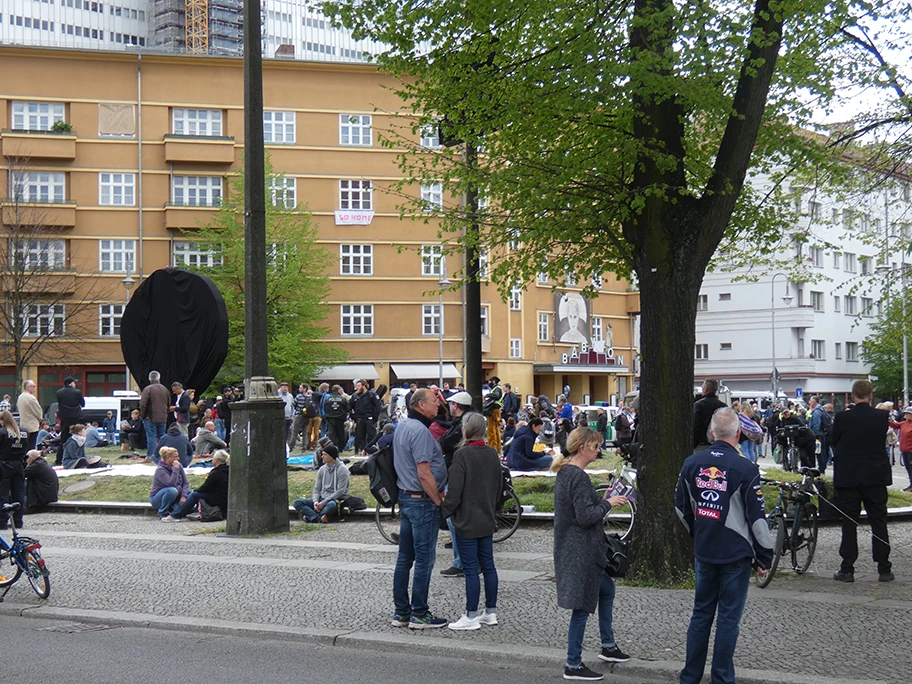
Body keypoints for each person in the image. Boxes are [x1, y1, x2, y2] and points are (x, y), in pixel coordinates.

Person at [675, 407, 773, 684]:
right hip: (736, 553)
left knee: (701, 614)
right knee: (729, 618)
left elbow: (681, 509)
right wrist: (764, 558)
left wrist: (699, 531)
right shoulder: (746, 467)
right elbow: (758, 519)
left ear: (711, 432)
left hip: (705, 549)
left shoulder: (691, 463)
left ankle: (690, 677)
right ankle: (722, 678)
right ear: (739, 433)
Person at [553, 426, 630, 680]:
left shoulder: (567, 472)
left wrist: (603, 500)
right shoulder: (578, 476)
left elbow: (581, 510)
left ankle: (608, 646)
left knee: (606, 590)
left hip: (577, 548)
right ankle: (572, 664)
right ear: (583, 447)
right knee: (582, 607)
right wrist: (609, 503)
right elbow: (586, 518)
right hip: (581, 550)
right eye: (596, 446)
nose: (599, 450)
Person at [391, 388, 449, 629]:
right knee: (424, 559)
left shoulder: (403, 426)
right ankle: (420, 614)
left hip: (405, 497)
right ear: (420, 405)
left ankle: (402, 612)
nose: (438, 404)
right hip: (421, 500)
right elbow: (424, 472)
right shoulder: (420, 431)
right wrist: (438, 501)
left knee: (405, 557)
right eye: (434, 401)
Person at [440, 412, 501, 630]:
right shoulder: (492, 454)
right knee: (489, 566)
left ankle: (471, 615)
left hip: (466, 520)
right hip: (486, 518)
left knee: (470, 569)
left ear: (465, 430)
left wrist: (444, 512)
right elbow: (499, 488)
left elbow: (454, 493)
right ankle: (490, 612)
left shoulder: (462, 455)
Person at [831, 380, 893, 582]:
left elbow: (834, 440)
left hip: (849, 477)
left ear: (852, 396)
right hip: (875, 477)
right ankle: (884, 569)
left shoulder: (842, 418)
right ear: (870, 396)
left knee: (849, 524)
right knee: (879, 522)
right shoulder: (881, 417)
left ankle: (847, 568)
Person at [437, 390, 475, 579]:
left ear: (456, 406)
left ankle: (461, 562)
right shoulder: (466, 421)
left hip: (455, 473)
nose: (449, 407)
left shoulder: (462, 425)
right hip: (459, 471)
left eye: (451, 404)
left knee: (454, 518)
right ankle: (465, 561)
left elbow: (445, 442)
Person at [163, 449, 229, 522]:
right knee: (194, 493)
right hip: (225, 497)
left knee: (195, 495)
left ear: (216, 460)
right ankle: (195, 512)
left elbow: (205, 487)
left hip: (218, 499)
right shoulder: (227, 470)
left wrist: (195, 491)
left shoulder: (216, 473)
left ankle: (175, 515)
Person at [292, 444, 350, 523]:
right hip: (321, 498)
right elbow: (317, 488)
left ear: (331, 456)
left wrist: (323, 503)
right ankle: (318, 518)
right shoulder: (322, 469)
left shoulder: (342, 470)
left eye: (324, 455)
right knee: (297, 503)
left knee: (331, 505)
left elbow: (340, 491)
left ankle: (311, 517)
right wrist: (316, 502)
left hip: (334, 499)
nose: (322, 457)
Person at [0, 410, 26, 529]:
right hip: (19, 465)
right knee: (19, 493)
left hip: (4, 465)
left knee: (3, 494)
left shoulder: (2, 432)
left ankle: (2, 522)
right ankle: (18, 521)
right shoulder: (24, 432)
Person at [150, 446, 189, 519]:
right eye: (175, 457)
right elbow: (171, 484)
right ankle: (162, 512)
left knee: (193, 493)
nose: (178, 459)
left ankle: (177, 511)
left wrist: (184, 496)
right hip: (159, 498)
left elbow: (185, 482)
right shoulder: (160, 470)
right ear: (168, 458)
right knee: (172, 490)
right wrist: (175, 469)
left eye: (178, 456)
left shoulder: (178, 465)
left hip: (176, 494)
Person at [141, 371, 171, 460]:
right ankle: (164, 456)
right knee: (162, 436)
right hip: (162, 417)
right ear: (159, 378)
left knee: (151, 437)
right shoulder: (165, 389)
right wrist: (165, 413)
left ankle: (151, 456)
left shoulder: (147, 389)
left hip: (150, 417)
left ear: (149, 379)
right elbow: (168, 403)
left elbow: (143, 404)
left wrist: (143, 415)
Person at [55, 375, 85, 465]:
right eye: (74, 382)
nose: (75, 384)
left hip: (65, 419)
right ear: (71, 383)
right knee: (78, 437)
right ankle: (79, 457)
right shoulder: (77, 392)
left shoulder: (59, 393)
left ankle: (59, 459)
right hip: (76, 418)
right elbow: (82, 404)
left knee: (63, 439)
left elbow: (60, 404)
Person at [692, 379, 726, 452]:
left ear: (706, 389)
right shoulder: (723, 406)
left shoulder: (699, 405)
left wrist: (694, 443)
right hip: (719, 444)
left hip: (702, 444)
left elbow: (695, 425)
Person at [350, 379, 382, 454]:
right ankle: (362, 450)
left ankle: (371, 449)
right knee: (360, 435)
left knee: (371, 434)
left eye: (358, 386)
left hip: (369, 417)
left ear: (364, 386)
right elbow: (350, 406)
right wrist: (353, 416)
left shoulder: (372, 395)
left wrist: (374, 417)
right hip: (359, 418)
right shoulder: (355, 396)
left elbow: (378, 406)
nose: (357, 387)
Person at [888, 407, 912, 492]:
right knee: (908, 468)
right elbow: (894, 425)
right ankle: (911, 484)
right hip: (904, 449)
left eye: (908, 414)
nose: (906, 415)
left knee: (911, 468)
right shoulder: (904, 423)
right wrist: (884, 419)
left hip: (911, 450)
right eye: (906, 414)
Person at [17, 380, 44, 450]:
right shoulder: (31, 398)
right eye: (33, 386)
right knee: (31, 445)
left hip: (23, 424)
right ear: (29, 387)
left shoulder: (20, 397)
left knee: (24, 445)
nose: (35, 388)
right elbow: (38, 411)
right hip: (32, 426)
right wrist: (41, 419)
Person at [807, 395, 830, 474]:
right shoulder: (821, 409)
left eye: (810, 401)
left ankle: (821, 469)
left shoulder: (816, 412)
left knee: (819, 452)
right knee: (822, 451)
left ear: (814, 402)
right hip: (822, 434)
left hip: (818, 435)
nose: (809, 403)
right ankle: (822, 468)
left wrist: (812, 434)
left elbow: (816, 425)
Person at [322, 385, 349, 450]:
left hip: (330, 418)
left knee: (331, 433)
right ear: (338, 390)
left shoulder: (328, 399)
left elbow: (325, 408)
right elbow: (346, 408)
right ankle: (340, 448)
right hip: (340, 418)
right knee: (341, 433)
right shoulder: (342, 399)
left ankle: (333, 446)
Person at [485, 377, 504, 453]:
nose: (489, 383)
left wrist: (488, 395)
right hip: (496, 411)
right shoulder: (498, 388)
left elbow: (496, 396)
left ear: (493, 381)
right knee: (496, 430)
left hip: (493, 411)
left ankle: (492, 448)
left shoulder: (497, 389)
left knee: (491, 430)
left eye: (490, 381)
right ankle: (498, 448)